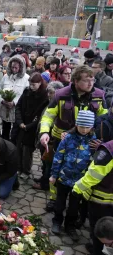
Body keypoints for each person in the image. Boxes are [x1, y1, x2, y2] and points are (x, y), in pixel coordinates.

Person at [38, 65, 107, 211]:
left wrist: (102, 139)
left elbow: (104, 120)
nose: (91, 84)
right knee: (54, 170)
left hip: (86, 143)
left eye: (92, 80)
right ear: (75, 81)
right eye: (86, 80)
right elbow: (48, 116)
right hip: (59, 140)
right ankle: (54, 199)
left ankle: (75, 202)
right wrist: (44, 132)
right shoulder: (60, 94)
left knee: (81, 171)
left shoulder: (99, 95)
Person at [49, 110, 96, 239]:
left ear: (91, 127)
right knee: (60, 203)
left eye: (88, 127)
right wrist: (54, 174)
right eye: (82, 126)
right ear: (76, 125)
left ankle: (70, 226)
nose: (84, 130)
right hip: (64, 177)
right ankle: (57, 221)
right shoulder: (68, 138)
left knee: (74, 206)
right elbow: (58, 156)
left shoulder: (93, 142)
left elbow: (94, 162)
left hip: (80, 182)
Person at [73, 140, 113, 255]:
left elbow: (93, 175)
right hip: (110, 199)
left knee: (99, 229)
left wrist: (77, 189)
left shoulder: (109, 150)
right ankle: (98, 252)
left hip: (101, 199)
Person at [14, 72, 49, 180]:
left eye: (34, 84)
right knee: (19, 146)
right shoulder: (26, 91)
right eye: (30, 84)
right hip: (22, 124)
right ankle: (19, 168)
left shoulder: (44, 96)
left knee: (27, 150)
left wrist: (29, 126)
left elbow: (41, 115)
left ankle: (26, 170)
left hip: (32, 128)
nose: (31, 86)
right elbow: (18, 107)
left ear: (40, 83)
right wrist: (20, 122)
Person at [0, 55, 30, 140]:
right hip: (5, 109)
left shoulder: (26, 78)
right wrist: (2, 101)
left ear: (21, 67)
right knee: (5, 129)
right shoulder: (5, 77)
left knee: (15, 132)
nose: (14, 70)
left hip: (18, 111)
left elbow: (26, 95)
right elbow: (0, 90)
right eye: (12, 67)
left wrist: (14, 102)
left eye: (16, 68)